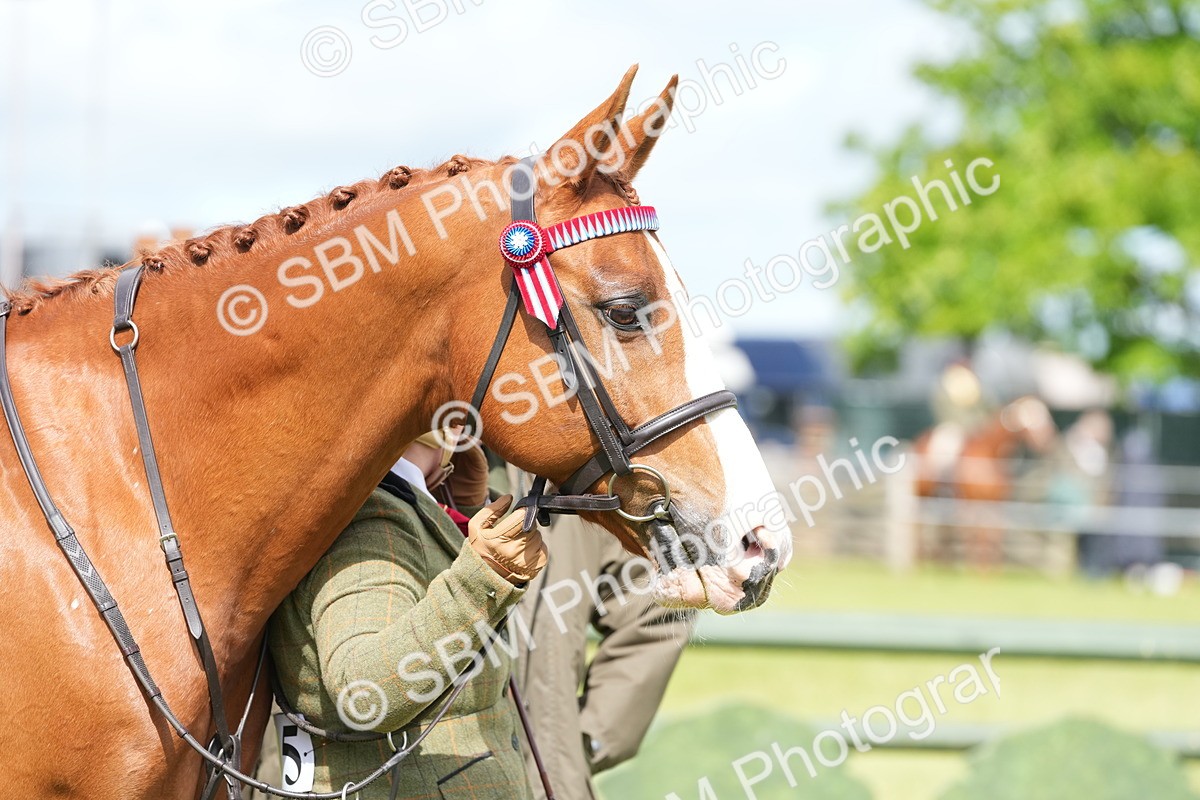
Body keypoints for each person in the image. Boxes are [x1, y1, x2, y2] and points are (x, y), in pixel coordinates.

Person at [265, 430, 546, 799]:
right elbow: (366, 693)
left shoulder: (393, 501)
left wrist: (462, 514)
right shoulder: (373, 515)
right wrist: (481, 583)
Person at [503, 470, 696, 800]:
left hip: (548, 781)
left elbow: (654, 607)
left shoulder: (573, 472)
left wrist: (578, 742)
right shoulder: (418, 468)